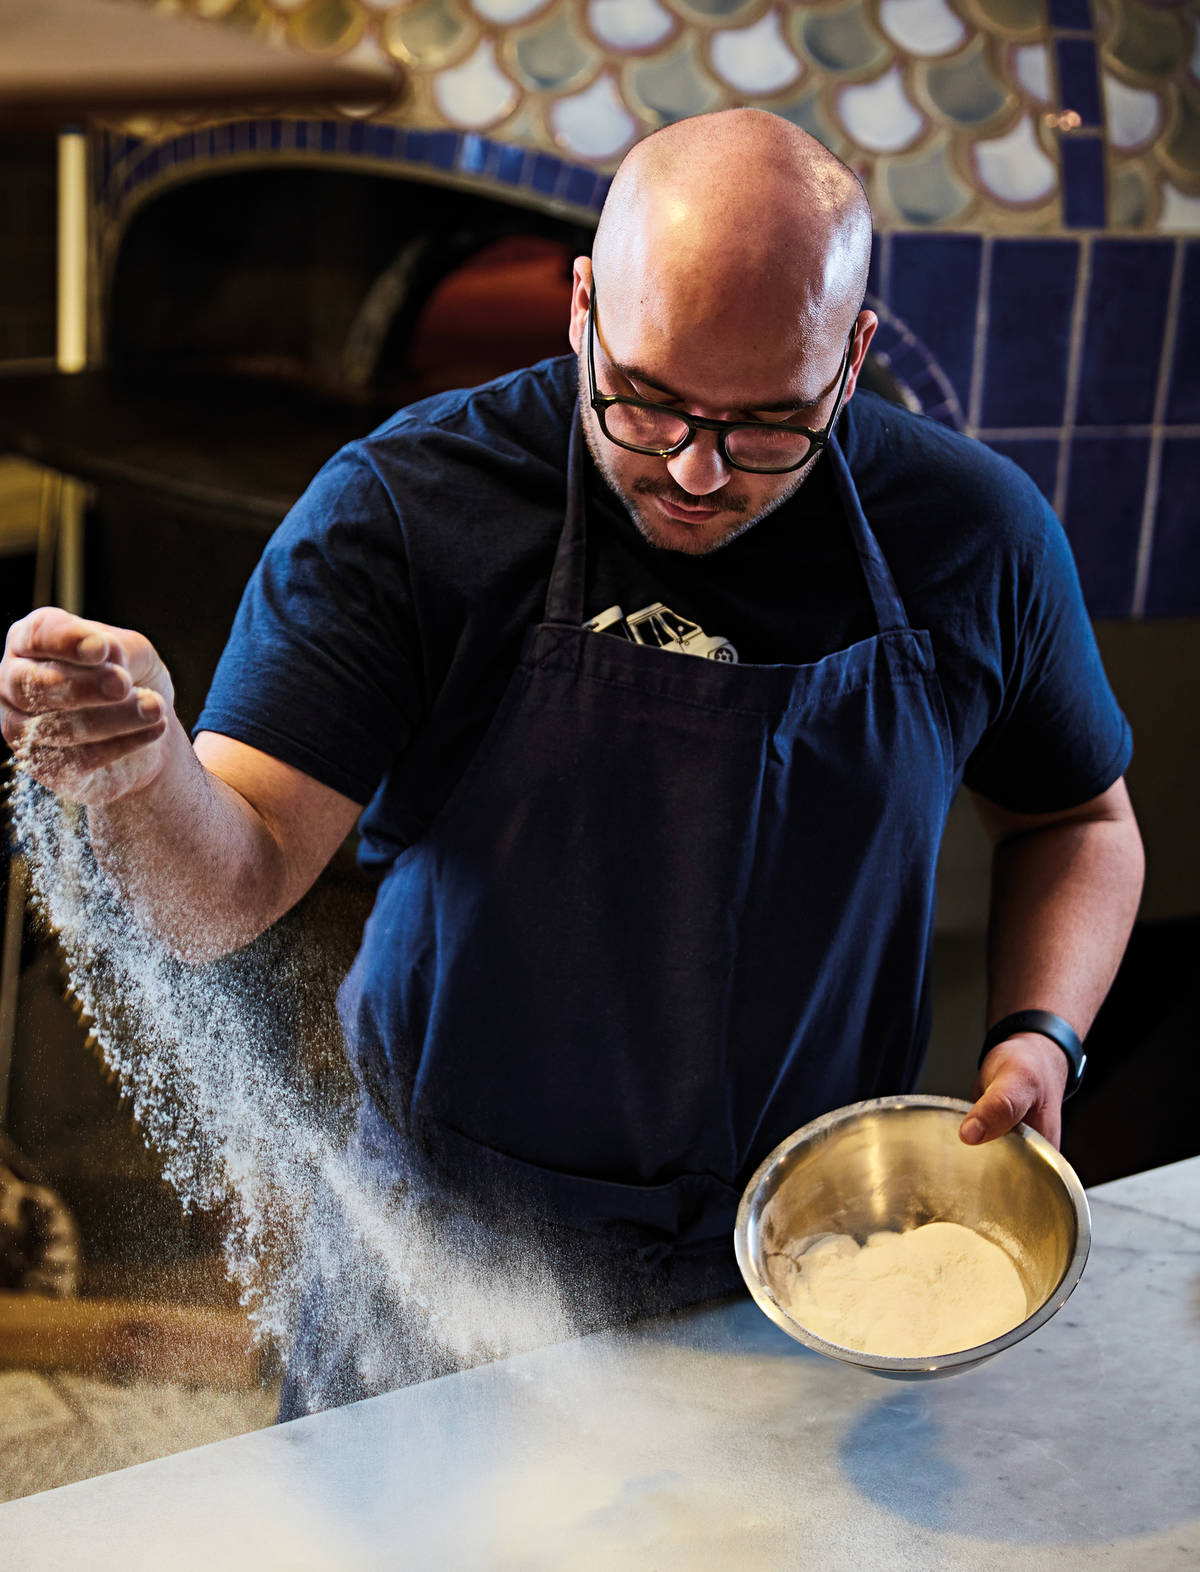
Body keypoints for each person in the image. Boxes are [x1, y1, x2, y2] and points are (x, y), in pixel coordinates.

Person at [1, 111, 1143, 1415]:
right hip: (448, 1259)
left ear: (855, 357)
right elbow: (220, 897)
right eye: (647, 401)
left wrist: (1040, 1034)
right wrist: (142, 770)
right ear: (583, 305)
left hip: (820, 1248)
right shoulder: (412, 512)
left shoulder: (971, 535)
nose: (699, 472)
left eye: (771, 424)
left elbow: (1080, 821)